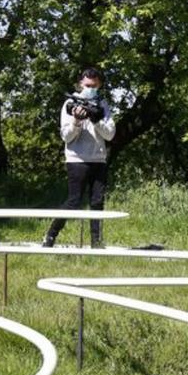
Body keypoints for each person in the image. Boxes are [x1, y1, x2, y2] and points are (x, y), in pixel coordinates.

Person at [42, 68, 115, 248]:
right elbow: (66, 136)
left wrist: (96, 120)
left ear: (99, 85)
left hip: (98, 159)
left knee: (97, 202)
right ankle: (50, 236)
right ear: (80, 84)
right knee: (74, 201)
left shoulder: (102, 104)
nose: (91, 88)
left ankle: (96, 242)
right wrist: (76, 121)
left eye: (94, 85)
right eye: (88, 85)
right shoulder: (70, 103)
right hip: (77, 160)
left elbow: (110, 134)